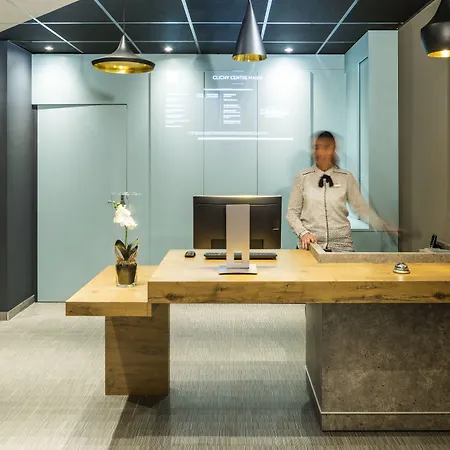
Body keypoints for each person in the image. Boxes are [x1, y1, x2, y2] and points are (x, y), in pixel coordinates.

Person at [286, 131, 391, 252]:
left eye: (326, 147)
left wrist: (380, 224)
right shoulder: (303, 177)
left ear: (333, 149)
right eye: (317, 147)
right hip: (310, 246)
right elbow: (292, 213)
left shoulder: (346, 177)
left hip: (342, 247)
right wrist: (303, 233)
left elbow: (360, 207)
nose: (321, 152)